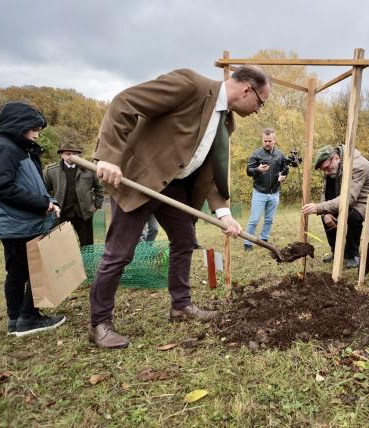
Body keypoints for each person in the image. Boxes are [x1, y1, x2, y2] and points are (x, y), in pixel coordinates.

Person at [89, 66, 270, 349]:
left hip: (172, 186)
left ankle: (181, 306)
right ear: (247, 89)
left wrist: (224, 213)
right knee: (119, 252)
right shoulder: (190, 85)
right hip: (141, 179)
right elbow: (125, 102)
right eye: (261, 102)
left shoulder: (226, 122)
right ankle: (99, 324)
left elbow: (210, 170)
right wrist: (108, 156)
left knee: (185, 240)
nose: (259, 110)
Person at [0, 101, 66, 336]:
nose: (38, 133)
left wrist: (50, 201)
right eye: (35, 127)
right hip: (16, 222)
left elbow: (30, 185)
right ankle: (28, 318)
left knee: (19, 271)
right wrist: (42, 203)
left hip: (19, 221)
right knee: (35, 269)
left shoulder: (18, 149)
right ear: (19, 125)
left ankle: (16, 319)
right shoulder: (3, 147)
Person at [301, 145, 369, 269]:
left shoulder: (356, 165)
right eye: (323, 170)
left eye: (326, 168)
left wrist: (319, 207)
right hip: (360, 197)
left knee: (352, 215)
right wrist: (325, 213)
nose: (326, 171)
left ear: (336, 158)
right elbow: (326, 193)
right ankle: (336, 252)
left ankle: (353, 255)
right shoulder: (333, 168)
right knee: (326, 212)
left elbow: (350, 199)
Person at [44, 142, 104, 247]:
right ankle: (68, 263)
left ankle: (87, 263)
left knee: (87, 244)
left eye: (75, 154)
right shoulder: (51, 171)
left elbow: (99, 187)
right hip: (61, 214)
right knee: (62, 244)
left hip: (83, 214)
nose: (71, 156)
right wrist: (51, 205)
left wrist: (96, 205)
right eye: (68, 153)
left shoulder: (89, 169)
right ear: (61, 154)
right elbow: (44, 190)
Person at [243, 128, 288, 251]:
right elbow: (248, 171)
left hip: (274, 193)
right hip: (259, 192)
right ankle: (248, 242)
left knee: (269, 219)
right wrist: (258, 170)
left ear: (274, 140)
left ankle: (264, 240)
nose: (267, 143)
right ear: (262, 140)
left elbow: (285, 170)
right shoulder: (256, 154)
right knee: (254, 219)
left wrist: (283, 177)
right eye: (265, 141)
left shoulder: (280, 154)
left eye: (270, 141)